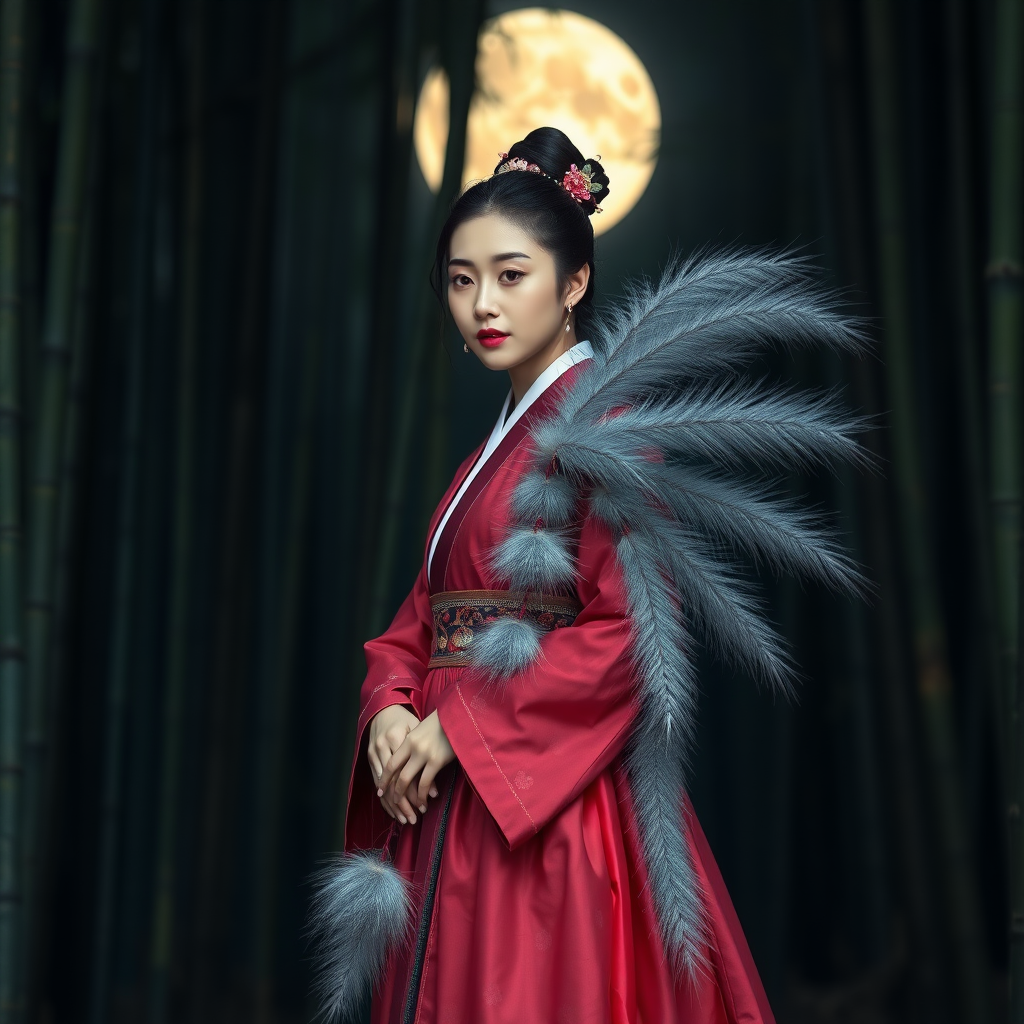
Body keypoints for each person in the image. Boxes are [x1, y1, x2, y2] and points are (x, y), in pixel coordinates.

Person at [310, 126, 868, 1024]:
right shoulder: (484, 458)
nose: (482, 304)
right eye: (461, 279)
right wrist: (389, 709)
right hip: (449, 790)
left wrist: (459, 729)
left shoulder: (606, 430)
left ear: (572, 284)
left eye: (511, 274)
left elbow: (628, 631)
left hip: (546, 809)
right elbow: (420, 617)